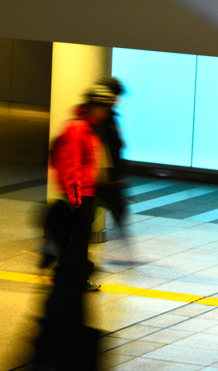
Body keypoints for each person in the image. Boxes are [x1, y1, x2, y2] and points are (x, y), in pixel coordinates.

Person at [48, 84, 117, 291]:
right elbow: (72, 166)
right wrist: (76, 199)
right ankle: (75, 279)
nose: (105, 112)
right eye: (103, 108)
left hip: (86, 193)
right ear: (92, 106)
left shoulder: (89, 127)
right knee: (76, 241)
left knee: (77, 240)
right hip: (79, 195)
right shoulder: (78, 128)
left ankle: (71, 276)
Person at [94, 76, 139, 264]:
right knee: (86, 217)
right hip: (102, 179)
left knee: (119, 213)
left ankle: (125, 252)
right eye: (115, 96)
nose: (117, 100)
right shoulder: (99, 121)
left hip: (111, 178)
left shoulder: (110, 117)